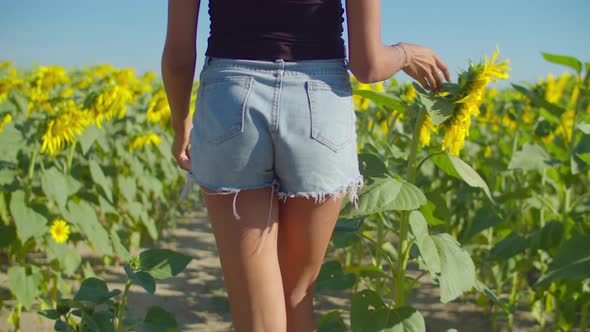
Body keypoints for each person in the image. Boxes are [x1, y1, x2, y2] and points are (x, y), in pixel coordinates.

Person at [161, 0, 450, 330]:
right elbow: (368, 65)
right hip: (319, 104)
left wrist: (180, 122)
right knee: (296, 294)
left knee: (254, 310)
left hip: (231, 99)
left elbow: (179, 56)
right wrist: (406, 53)